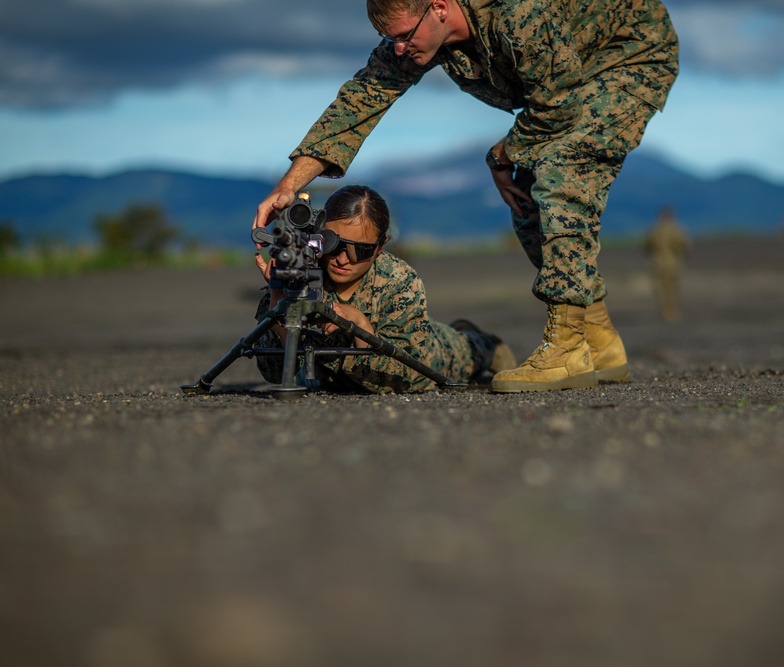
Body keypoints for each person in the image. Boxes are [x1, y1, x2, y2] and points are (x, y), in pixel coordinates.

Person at [252, 0, 680, 393]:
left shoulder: (516, 11)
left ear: (438, 7)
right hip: (572, 74)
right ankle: (599, 340)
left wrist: (501, 154)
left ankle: (568, 347)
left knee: (561, 171)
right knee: (527, 197)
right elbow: (361, 99)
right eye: (391, 39)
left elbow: (559, 106)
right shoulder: (419, 38)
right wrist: (289, 185)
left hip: (630, 56)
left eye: (405, 36)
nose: (399, 49)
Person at [253, 185, 515, 394]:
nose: (343, 259)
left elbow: (400, 377)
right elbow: (280, 368)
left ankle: (487, 345)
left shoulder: (399, 280)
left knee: (468, 351)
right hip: (340, 378)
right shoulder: (301, 268)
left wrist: (358, 324)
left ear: (381, 245)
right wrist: (279, 296)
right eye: (334, 244)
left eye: (362, 250)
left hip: (432, 355)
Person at [645, 208, 690, 321]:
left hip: (658, 263)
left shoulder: (654, 231)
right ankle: (671, 310)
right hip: (673, 263)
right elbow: (685, 245)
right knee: (672, 288)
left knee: (662, 288)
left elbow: (647, 246)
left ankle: (666, 310)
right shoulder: (677, 231)